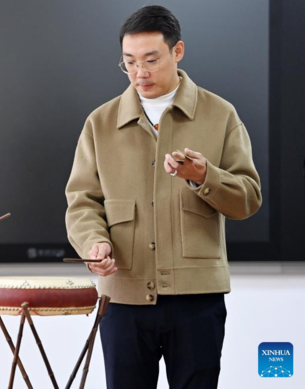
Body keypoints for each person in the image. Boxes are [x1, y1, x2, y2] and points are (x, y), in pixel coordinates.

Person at [65, 6, 261, 388]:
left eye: (151, 60)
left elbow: (248, 198)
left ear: (178, 51)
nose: (141, 72)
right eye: (130, 63)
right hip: (123, 297)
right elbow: (82, 201)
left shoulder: (220, 115)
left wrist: (206, 177)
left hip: (197, 297)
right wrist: (95, 243)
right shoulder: (100, 123)